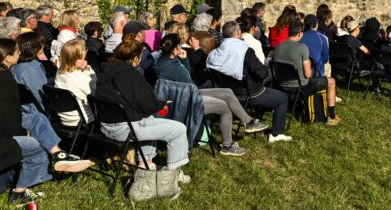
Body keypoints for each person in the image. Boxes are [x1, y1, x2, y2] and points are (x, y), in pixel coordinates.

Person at [0, 40, 92, 208]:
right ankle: (19, 193)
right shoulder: (4, 79)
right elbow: (10, 119)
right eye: (17, 52)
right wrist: (22, 132)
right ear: (7, 57)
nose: (20, 54)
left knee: (36, 117)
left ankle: (58, 153)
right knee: (37, 147)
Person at [96, 39, 191, 182]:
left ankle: (146, 163)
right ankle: (172, 175)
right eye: (141, 56)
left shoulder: (104, 71)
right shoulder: (131, 75)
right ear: (135, 58)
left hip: (105, 126)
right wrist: (162, 104)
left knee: (149, 119)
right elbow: (148, 105)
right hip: (125, 130)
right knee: (179, 129)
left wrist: (155, 105)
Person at [154, 34, 265, 155]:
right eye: (180, 45)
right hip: (187, 101)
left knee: (227, 92)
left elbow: (189, 83)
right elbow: (190, 81)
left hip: (184, 96)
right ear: (176, 48)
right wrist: (185, 60)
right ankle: (227, 145)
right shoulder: (174, 67)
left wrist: (184, 60)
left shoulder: (162, 62)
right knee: (224, 107)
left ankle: (248, 122)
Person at [207, 21, 291, 142]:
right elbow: (262, 73)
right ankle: (276, 134)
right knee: (282, 98)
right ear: (238, 32)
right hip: (248, 94)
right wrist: (267, 65)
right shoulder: (245, 51)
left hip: (225, 93)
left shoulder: (214, 53)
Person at [274, 25, 341, 125]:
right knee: (331, 81)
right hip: (301, 87)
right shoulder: (302, 48)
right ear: (300, 33)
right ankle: (332, 116)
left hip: (282, 84)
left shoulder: (278, 47)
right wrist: (309, 63)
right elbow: (308, 75)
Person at [54, 38, 96, 127]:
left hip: (64, 118)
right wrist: (88, 70)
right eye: (85, 49)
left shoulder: (59, 72)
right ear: (80, 55)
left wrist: (85, 68)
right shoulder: (79, 77)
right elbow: (96, 92)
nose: (86, 51)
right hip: (82, 119)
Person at [299, 14, 331, 78]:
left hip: (301, 67)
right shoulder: (323, 38)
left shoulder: (300, 36)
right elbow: (325, 59)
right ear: (316, 24)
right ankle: (326, 82)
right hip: (317, 70)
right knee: (328, 66)